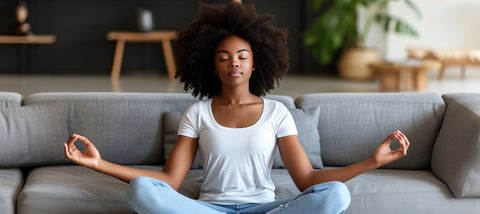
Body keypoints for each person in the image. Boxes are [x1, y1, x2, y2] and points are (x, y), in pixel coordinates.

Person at [63, 2, 410, 214]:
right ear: (211, 65)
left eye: (242, 57)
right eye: (224, 57)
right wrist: (99, 163)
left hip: (266, 208)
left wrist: (372, 162)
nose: (234, 63)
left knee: (335, 194)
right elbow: (169, 181)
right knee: (140, 190)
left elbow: (307, 180)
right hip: (207, 208)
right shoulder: (197, 113)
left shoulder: (277, 113)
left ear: (256, 63)